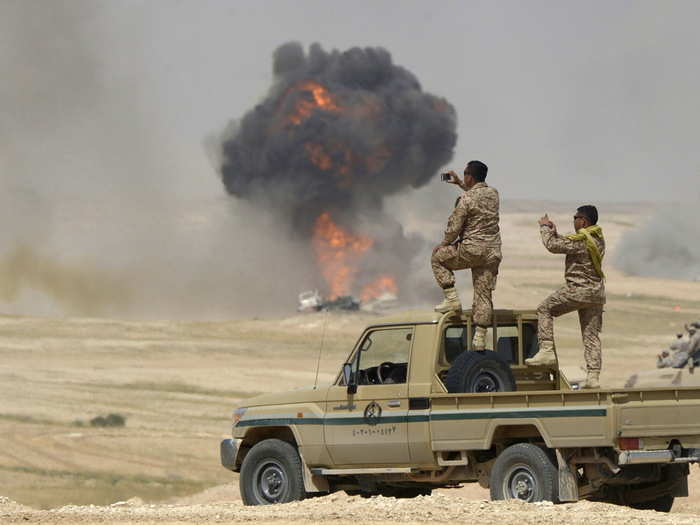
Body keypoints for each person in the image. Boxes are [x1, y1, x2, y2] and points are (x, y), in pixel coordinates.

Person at [525, 205, 605, 389]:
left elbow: (553, 246)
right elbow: (569, 243)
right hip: (596, 294)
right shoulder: (597, 238)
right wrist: (556, 232)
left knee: (544, 309)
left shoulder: (582, 239)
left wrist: (545, 228)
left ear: (583, 221)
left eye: (575, 218)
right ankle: (593, 376)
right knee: (591, 336)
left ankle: (546, 350)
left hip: (578, 290)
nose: (574, 221)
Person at [431, 160, 501, 350]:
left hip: (471, 250)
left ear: (470, 176)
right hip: (492, 253)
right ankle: (479, 337)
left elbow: (454, 227)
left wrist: (443, 244)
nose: (464, 176)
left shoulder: (466, 199)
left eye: (465, 174)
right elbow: (477, 197)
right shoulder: (493, 194)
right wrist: (460, 184)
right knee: (483, 294)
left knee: (437, 258)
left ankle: (452, 300)